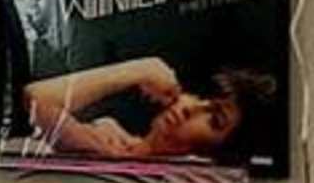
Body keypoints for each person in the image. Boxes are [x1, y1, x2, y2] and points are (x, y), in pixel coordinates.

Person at [21, 55, 277, 162]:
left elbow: (36, 100)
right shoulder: (112, 136)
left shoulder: (115, 153)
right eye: (202, 98)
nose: (190, 108)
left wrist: (140, 70)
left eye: (215, 120)